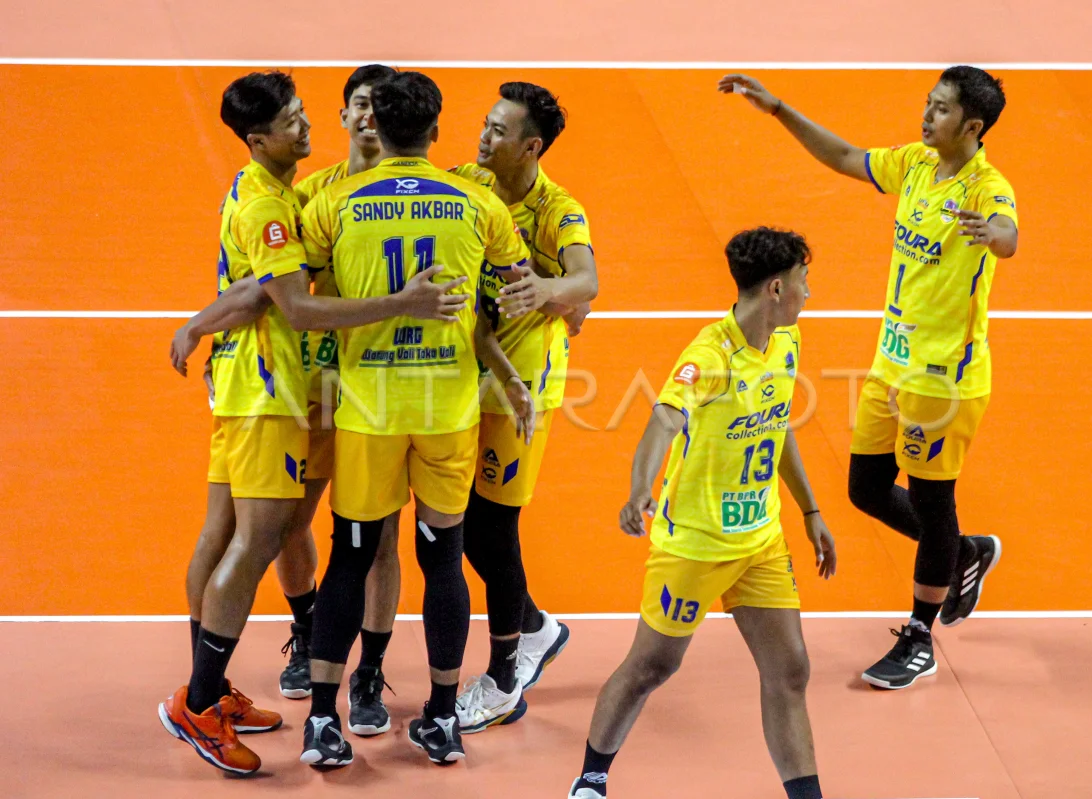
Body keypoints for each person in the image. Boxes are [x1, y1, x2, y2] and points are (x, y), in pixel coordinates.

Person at [157, 70, 462, 776]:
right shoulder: (296, 201)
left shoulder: (289, 195)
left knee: (250, 531)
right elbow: (286, 301)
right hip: (276, 388)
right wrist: (403, 304)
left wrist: (200, 323)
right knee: (254, 537)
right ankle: (200, 697)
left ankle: (218, 688)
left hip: (307, 388)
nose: (312, 126)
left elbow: (258, 289)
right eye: (297, 118)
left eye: (304, 113)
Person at [719, 66, 1016, 689]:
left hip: (943, 378)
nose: (927, 115)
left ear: (973, 126)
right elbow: (846, 157)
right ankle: (964, 551)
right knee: (866, 489)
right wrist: (778, 109)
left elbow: (1008, 235)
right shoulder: (915, 164)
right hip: (891, 363)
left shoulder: (988, 188)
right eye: (928, 103)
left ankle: (920, 636)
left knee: (933, 503)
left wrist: (993, 234)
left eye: (941, 109)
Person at [296, 70, 536, 768]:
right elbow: (518, 288)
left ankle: (322, 720)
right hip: (447, 410)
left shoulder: (335, 203)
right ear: (434, 131)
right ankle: (441, 717)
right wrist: (512, 364)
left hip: (369, 409)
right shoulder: (478, 204)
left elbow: (298, 288)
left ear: (375, 126)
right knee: (443, 559)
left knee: (350, 555)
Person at [569, 228, 835, 799]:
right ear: (776, 288)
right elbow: (665, 418)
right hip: (695, 543)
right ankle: (590, 779)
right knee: (652, 667)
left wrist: (810, 508)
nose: (809, 293)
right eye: (804, 281)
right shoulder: (709, 356)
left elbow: (777, 424)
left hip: (760, 540)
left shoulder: (787, 342)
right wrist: (639, 489)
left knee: (790, 670)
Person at [448, 81, 599, 733]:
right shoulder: (466, 181)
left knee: (493, 527)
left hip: (522, 386)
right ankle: (536, 625)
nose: (483, 137)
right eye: (485, 124)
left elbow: (588, 280)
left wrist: (550, 289)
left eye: (498, 130)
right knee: (455, 522)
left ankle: (506, 677)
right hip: (465, 372)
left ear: (531, 146)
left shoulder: (558, 210)